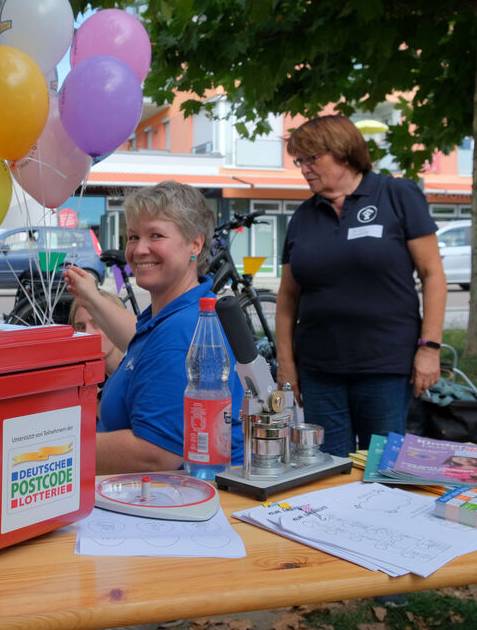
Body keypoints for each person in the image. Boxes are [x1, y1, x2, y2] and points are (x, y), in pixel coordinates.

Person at [275, 115, 447, 458]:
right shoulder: (303, 216)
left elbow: (433, 275)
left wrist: (430, 348)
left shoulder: (396, 194)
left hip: (384, 366)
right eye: (299, 161)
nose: (304, 169)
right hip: (319, 369)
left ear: (343, 153)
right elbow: (288, 296)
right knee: (328, 467)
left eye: (312, 159)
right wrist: (286, 363)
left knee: (382, 467)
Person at [65, 181, 244, 474]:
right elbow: (143, 345)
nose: (139, 249)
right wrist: (91, 298)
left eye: (156, 235)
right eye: (133, 236)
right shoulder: (182, 312)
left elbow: (156, 454)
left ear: (195, 244)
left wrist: (49, 450)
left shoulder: (182, 330)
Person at [68, 291, 126, 376]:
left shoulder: (138, 372)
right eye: (81, 327)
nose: (87, 333)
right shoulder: (90, 376)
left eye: (98, 323)